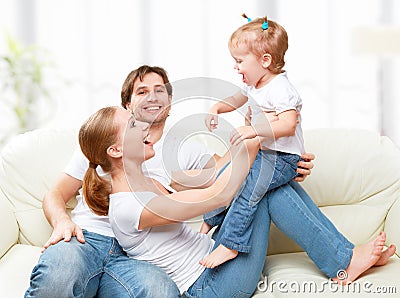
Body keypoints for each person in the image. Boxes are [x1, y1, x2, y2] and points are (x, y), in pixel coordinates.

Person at [23, 64, 314, 298]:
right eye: (142, 91)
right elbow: (55, 194)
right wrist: (62, 222)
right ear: (127, 105)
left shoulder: (182, 148)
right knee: (62, 272)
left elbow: (226, 174)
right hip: (88, 238)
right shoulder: (100, 146)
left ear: (170, 101)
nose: (152, 96)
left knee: (160, 290)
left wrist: (281, 162)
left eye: (159, 90)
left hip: (137, 258)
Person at [81, 106, 395, 297]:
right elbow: (217, 195)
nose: (144, 124)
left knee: (269, 181)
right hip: (211, 288)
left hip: (214, 256)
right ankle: (343, 260)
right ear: (116, 151)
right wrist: (261, 143)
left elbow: (215, 177)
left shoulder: (149, 180)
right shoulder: (128, 207)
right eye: (133, 125)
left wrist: (260, 144)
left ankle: (346, 258)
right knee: (263, 177)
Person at [200, 15, 310, 267]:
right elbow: (237, 99)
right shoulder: (255, 86)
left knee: (248, 191)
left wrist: (252, 130)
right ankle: (208, 221)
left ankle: (230, 244)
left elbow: (288, 124)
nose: (236, 67)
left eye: (239, 61)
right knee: (231, 178)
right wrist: (217, 107)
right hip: (266, 154)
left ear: (265, 60)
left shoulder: (281, 88)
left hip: (284, 159)